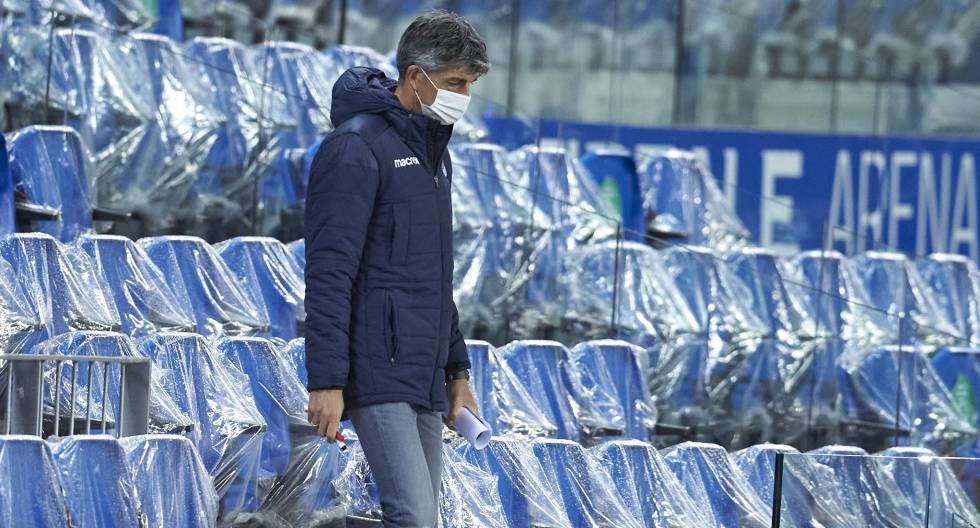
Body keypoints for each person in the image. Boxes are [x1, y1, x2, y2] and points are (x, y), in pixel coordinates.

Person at [303, 9, 490, 527]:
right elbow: (328, 274)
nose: (463, 97)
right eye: (455, 82)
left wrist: (458, 372)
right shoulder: (355, 147)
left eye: (469, 85)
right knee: (412, 517)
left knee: (424, 519)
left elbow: (436, 278)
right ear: (415, 76)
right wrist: (326, 381)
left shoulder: (434, 154)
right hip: (375, 368)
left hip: (423, 373)